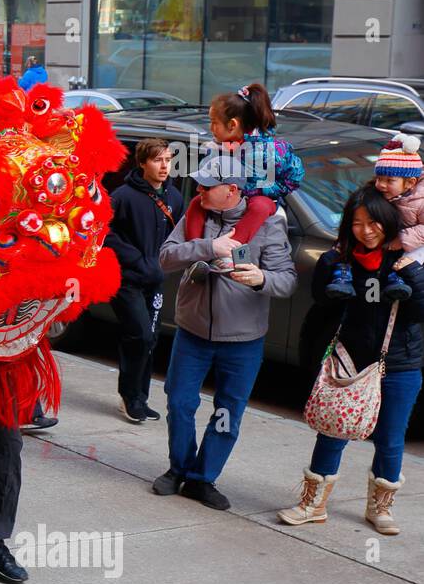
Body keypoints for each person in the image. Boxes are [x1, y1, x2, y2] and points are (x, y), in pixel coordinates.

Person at [278, 186, 424, 535]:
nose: (366, 230)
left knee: (390, 438)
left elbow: (419, 311)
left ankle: (381, 508)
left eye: (373, 222)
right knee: (332, 430)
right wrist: (331, 264)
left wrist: (412, 273)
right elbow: (322, 302)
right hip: (350, 359)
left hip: (400, 363)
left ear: (388, 223)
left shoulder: (406, 260)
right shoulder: (341, 260)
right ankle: (313, 504)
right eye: (357, 223)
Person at [154, 155, 297, 509]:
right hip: (192, 332)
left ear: (232, 190)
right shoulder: (196, 214)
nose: (198, 189)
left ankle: (204, 479)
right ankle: (179, 468)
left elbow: (287, 280)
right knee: (179, 404)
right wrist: (207, 247)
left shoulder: (267, 225)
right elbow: (166, 257)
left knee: (227, 413)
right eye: (199, 183)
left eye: (207, 185)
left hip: (242, 341)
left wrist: (262, 279)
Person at [184, 83, 304, 280]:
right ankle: (196, 255)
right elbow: (207, 176)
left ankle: (231, 254)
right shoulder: (218, 147)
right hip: (228, 202)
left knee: (259, 206)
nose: (210, 127)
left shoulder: (270, 149)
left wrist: (264, 192)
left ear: (232, 125)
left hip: (257, 201)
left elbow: (295, 176)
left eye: (214, 122)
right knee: (197, 202)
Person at [106, 137, 184, 423]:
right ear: (142, 163)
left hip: (155, 280)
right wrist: (137, 259)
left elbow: (179, 234)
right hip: (127, 279)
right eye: (157, 160)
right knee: (138, 334)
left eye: (168, 160)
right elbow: (105, 233)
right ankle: (129, 397)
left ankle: (141, 397)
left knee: (149, 339)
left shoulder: (174, 197)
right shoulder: (123, 196)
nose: (164, 166)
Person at [327, 133, 422, 300]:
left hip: (415, 245)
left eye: (389, 180)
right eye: (379, 178)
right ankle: (342, 276)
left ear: (410, 183)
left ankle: (398, 279)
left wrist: (402, 239)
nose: (381, 185)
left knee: (407, 259)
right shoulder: (385, 194)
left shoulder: (419, 200)